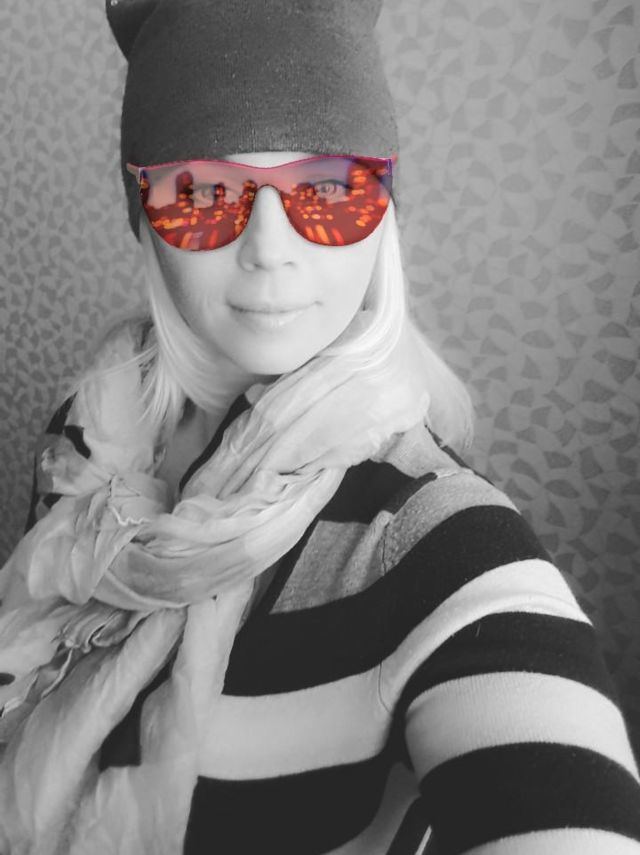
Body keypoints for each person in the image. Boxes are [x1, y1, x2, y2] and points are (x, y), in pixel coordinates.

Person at [1, 1, 639, 853]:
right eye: (204, 191)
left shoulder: (430, 541)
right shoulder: (85, 441)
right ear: (143, 213)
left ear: (384, 212)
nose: (269, 247)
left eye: (328, 188)